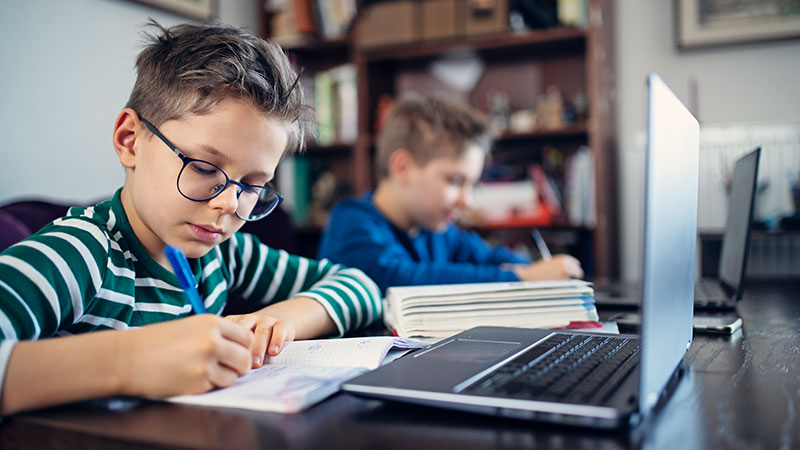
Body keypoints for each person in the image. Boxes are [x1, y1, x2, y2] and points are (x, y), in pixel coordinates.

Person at [0, 21, 381, 415]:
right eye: (203, 168)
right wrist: (130, 361)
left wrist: (280, 321)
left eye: (252, 185)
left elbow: (360, 287)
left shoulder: (222, 255)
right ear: (130, 141)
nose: (230, 204)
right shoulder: (79, 254)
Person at [317, 94, 583, 294]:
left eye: (472, 185)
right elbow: (399, 278)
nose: (467, 200)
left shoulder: (437, 230)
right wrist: (522, 277)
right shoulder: (350, 222)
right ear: (403, 168)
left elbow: (488, 256)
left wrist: (537, 269)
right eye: (456, 181)